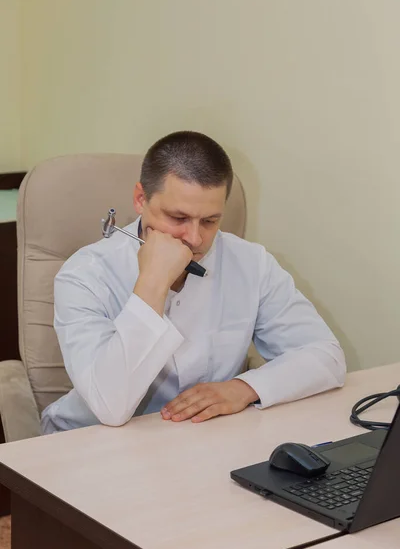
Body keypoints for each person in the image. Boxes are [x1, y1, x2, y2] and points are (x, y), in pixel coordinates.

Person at [41, 131, 346, 434]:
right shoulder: (85, 273)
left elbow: (326, 356)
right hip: (87, 441)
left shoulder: (251, 263)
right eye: (178, 218)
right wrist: (153, 282)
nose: (195, 238)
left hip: (197, 438)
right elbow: (109, 406)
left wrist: (244, 388)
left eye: (210, 221)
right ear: (140, 199)